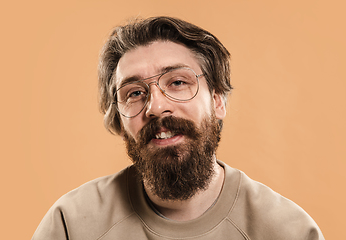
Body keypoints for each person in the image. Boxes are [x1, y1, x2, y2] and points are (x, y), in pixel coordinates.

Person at [32, 16, 324, 239]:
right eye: (134, 92)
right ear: (119, 121)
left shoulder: (287, 230)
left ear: (217, 100)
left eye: (178, 82)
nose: (156, 107)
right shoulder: (70, 224)